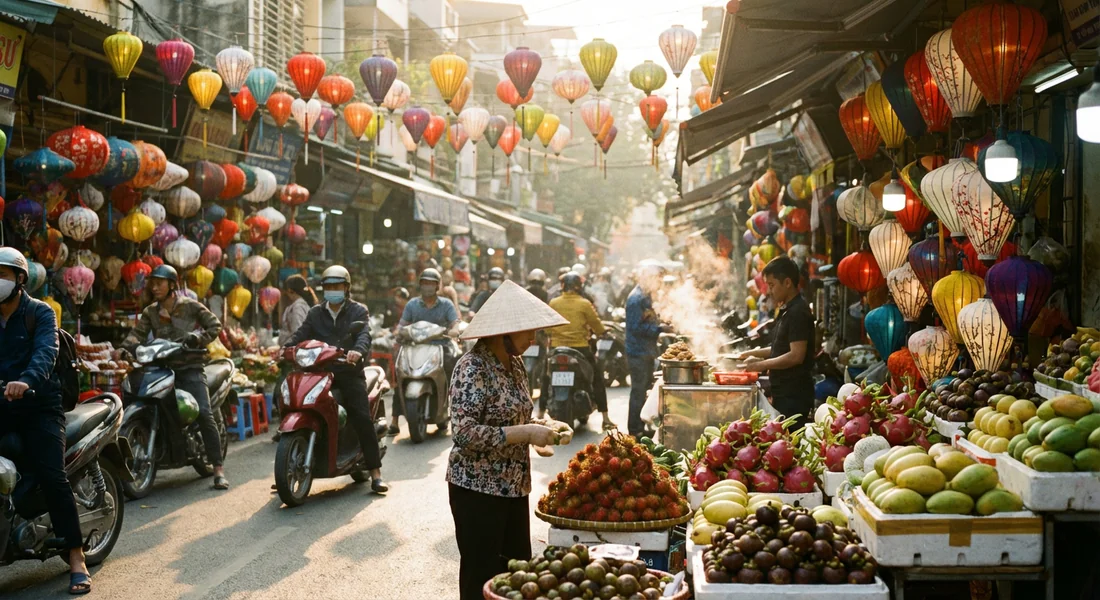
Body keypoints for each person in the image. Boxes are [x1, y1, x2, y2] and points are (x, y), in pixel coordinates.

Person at [447, 280, 569, 600]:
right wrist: (525, 433)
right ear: (502, 333)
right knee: (481, 575)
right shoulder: (471, 368)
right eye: (527, 332)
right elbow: (463, 433)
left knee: (516, 573)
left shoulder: (515, 365)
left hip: (514, 485)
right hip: (477, 489)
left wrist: (543, 430)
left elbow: (517, 417)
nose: (533, 338)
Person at [0, 247, 91, 595]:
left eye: (3, 275)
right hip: (3, 405)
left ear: (20, 279)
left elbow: (46, 352)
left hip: (39, 404)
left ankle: (75, 556)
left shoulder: (40, 313)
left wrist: (28, 380)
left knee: (54, 477)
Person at [121, 265, 229, 491]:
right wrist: (124, 349)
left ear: (172, 285)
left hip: (190, 367)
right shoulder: (151, 312)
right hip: (163, 368)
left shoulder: (190, 306)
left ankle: (218, 469)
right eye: (152, 282)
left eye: (160, 282)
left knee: (204, 413)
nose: (154, 287)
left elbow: (214, 325)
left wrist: (197, 338)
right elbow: (136, 335)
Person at [286, 265, 388, 493]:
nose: (332, 290)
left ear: (346, 288)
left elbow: (364, 335)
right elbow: (301, 334)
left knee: (361, 417)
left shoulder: (358, 311)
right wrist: (284, 348)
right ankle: (290, 465)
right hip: (320, 373)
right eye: (328, 286)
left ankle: (375, 473)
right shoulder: (315, 313)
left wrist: (358, 351)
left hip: (348, 373)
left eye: (337, 286)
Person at [736, 256, 816, 431]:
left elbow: (796, 355)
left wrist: (759, 365)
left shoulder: (798, 312)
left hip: (794, 395)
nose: (769, 291)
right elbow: (780, 349)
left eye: (772, 285)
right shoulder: (787, 309)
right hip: (784, 392)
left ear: (787, 282)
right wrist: (750, 355)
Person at [389, 269, 461, 436]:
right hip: (415, 346)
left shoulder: (446, 305)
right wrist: (398, 332)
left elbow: (455, 322)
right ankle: (394, 420)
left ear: (437, 286)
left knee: (454, 368)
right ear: (420, 285)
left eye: (431, 283)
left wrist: (455, 330)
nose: (427, 286)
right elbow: (403, 325)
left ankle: (455, 411)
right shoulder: (412, 304)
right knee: (401, 375)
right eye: (425, 283)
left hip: (441, 346)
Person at [545, 273, 617, 430]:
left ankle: (539, 412)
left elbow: (548, 329)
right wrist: (603, 333)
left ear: (563, 286)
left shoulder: (554, 303)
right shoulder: (584, 304)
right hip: (580, 349)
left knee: (547, 377)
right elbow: (597, 326)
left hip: (556, 349)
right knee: (597, 378)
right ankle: (605, 418)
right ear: (579, 287)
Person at [625, 264, 665, 439]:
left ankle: (641, 426)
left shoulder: (646, 297)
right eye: (657, 279)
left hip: (646, 350)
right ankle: (634, 430)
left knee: (644, 390)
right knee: (638, 391)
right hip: (637, 351)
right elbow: (635, 327)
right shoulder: (636, 299)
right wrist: (658, 329)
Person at [278, 275, 316, 346]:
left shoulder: (297, 307)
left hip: (292, 349)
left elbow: (297, 332)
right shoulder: (300, 305)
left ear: (290, 290)